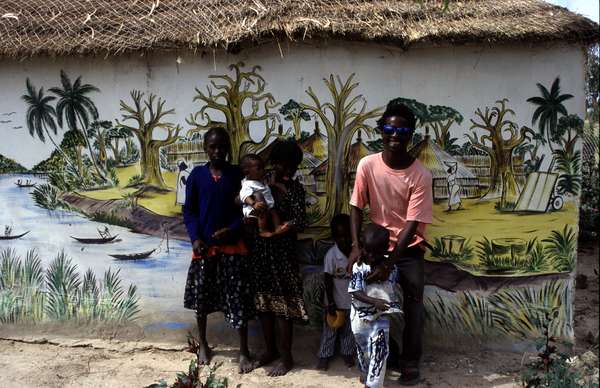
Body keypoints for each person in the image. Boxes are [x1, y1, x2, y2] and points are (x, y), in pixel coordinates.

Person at [349, 102, 433, 385]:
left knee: (413, 305)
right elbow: (356, 206)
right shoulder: (367, 165)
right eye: (388, 129)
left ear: (410, 134)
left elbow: (411, 224)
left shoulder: (421, 174)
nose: (394, 135)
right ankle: (374, 357)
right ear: (380, 131)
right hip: (374, 248)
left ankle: (410, 363)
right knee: (366, 302)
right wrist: (356, 247)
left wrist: (390, 264)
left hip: (406, 250)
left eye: (402, 130)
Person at [182, 127, 256, 374]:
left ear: (228, 148)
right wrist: (195, 239)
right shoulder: (196, 176)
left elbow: (246, 210)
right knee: (202, 299)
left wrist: (233, 229)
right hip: (205, 248)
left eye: (222, 146)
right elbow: (189, 211)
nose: (217, 151)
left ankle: (244, 350)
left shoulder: (236, 175)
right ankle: (203, 343)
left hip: (233, 247)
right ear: (205, 148)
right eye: (212, 147)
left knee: (237, 300)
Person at [251, 139, 308, 376]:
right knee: (264, 306)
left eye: (292, 168)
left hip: (283, 256)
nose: (288, 172)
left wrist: (283, 227)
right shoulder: (259, 185)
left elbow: (302, 221)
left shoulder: (295, 189)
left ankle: (286, 358)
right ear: (274, 164)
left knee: (284, 308)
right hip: (262, 254)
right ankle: (270, 351)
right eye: (284, 166)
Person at [349, 223, 402, 388]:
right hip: (359, 318)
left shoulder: (389, 266)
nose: (371, 256)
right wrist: (374, 301)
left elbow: (394, 279)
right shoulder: (359, 267)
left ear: (386, 248)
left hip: (380, 317)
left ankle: (373, 384)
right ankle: (366, 374)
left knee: (380, 352)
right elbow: (355, 292)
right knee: (363, 351)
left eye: (375, 252)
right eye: (367, 251)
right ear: (362, 247)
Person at [316, 213, 355, 371]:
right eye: (339, 237)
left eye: (347, 236)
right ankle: (324, 356)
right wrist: (330, 302)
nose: (344, 240)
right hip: (334, 303)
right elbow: (327, 280)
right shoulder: (331, 256)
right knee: (330, 331)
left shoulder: (356, 255)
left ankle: (347, 353)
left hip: (351, 303)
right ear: (334, 237)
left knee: (349, 331)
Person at [239, 154, 289, 237]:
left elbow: (270, 184)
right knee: (263, 214)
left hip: (267, 206)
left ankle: (277, 227)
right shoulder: (247, 184)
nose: (263, 170)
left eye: (263, 168)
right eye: (259, 169)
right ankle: (262, 230)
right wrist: (253, 203)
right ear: (247, 172)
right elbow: (244, 196)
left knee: (274, 213)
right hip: (256, 208)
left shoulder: (260, 180)